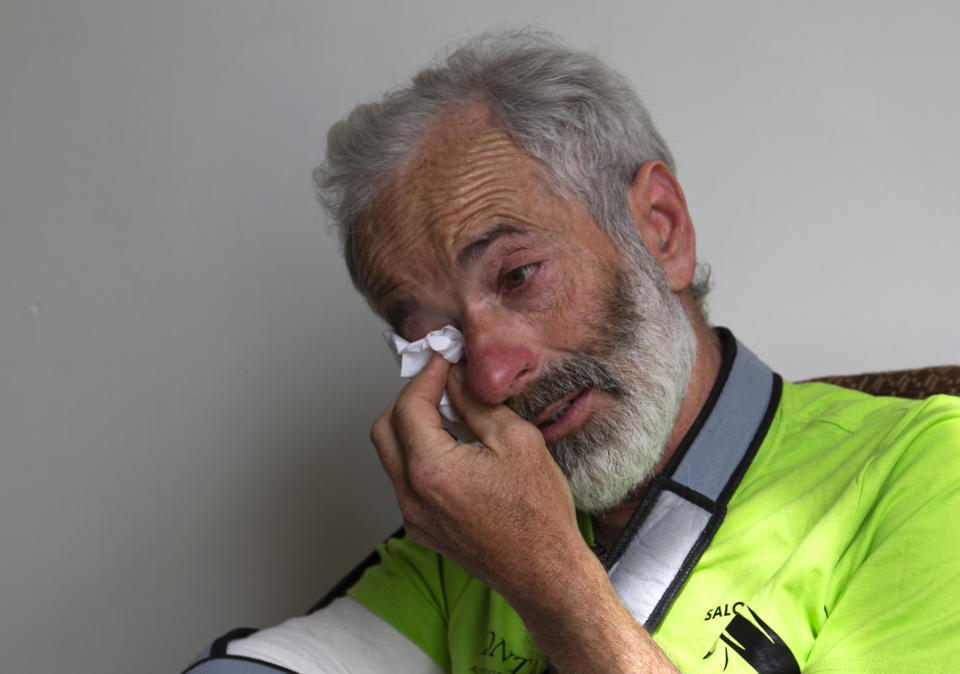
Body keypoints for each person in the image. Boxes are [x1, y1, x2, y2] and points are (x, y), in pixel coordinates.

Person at [183, 30, 960, 673]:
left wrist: (550, 584)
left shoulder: (923, 472)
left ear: (659, 229)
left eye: (518, 276)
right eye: (434, 335)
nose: (490, 372)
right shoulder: (465, 541)